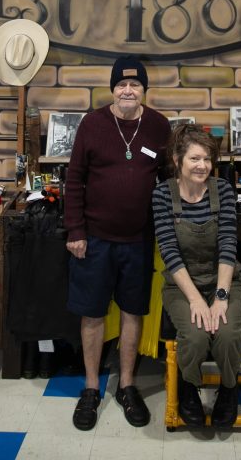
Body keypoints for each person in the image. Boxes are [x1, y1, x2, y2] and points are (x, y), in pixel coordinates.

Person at [64, 55, 171, 431]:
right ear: (112, 89)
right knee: (92, 314)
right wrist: (75, 230)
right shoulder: (92, 124)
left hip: (138, 241)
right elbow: (74, 179)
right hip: (94, 240)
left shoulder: (158, 126)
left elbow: (168, 178)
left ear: (144, 89)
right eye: (122, 84)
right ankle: (92, 388)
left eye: (135, 84)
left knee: (132, 312)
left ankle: (126, 385)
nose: (128, 90)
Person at [152, 124, 241, 429]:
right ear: (177, 160)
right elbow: (169, 250)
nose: (202, 166)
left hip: (224, 280)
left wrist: (220, 297)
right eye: (194, 158)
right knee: (194, 336)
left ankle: (229, 389)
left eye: (207, 159)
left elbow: (228, 244)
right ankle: (188, 386)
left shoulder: (223, 191)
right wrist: (195, 300)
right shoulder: (162, 194)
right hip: (181, 285)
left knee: (228, 333)